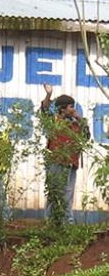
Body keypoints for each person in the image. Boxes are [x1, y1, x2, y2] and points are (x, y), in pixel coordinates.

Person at [40, 83, 90, 224]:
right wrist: (49, 95)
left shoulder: (75, 124)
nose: (73, 109)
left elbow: (86, 136)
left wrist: (79, 119)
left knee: (68, 194)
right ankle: (50, 221)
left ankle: (66, 222)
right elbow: (44, 109)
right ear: (62, 109)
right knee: (54, 192)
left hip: (71, 163)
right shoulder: (54, 121)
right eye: (71, 106)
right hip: (56, 161)